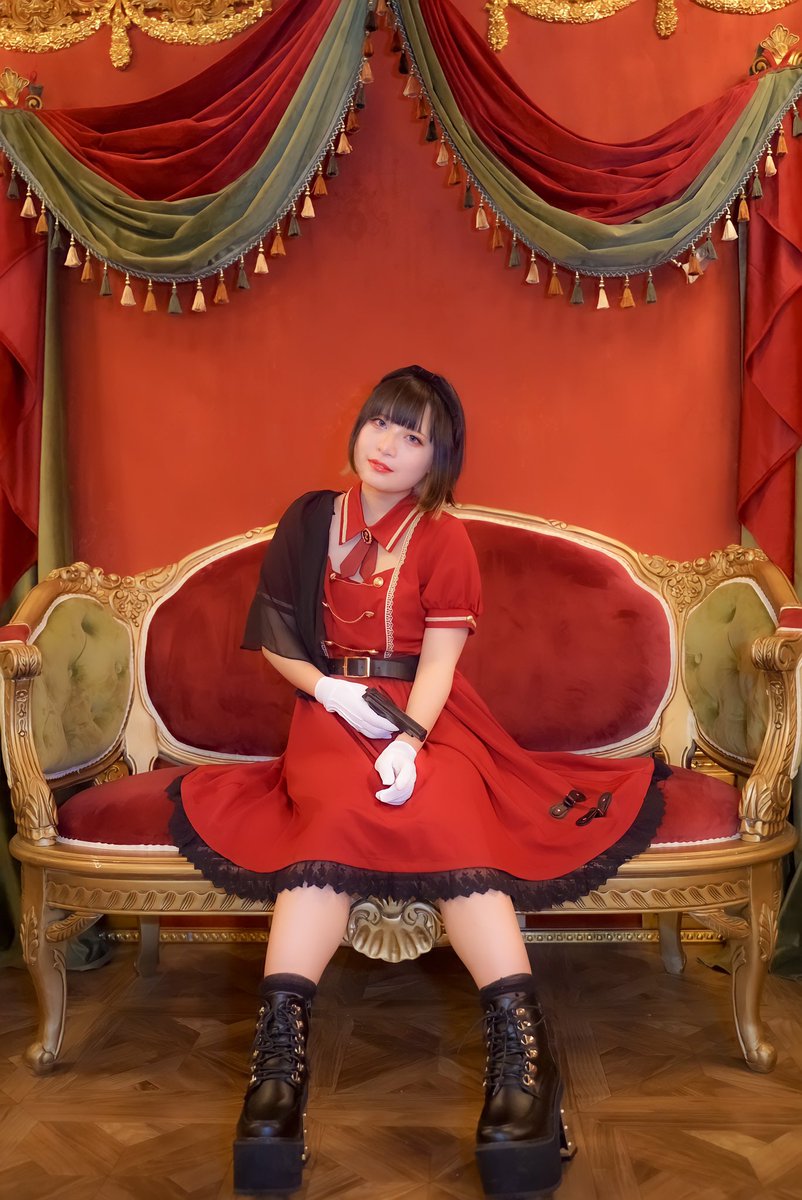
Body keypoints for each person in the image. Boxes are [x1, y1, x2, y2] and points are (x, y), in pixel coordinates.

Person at [168, 365, 668, 1198]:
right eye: (380, 423)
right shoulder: (308, 519)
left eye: (413, 436)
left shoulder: (444, 538)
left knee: (448, 814)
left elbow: (439, 664)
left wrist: (409, 739)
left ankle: (524, 1065)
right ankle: (276, 1076)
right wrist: (329, 692)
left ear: (439, 460)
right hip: (331, 714)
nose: (387, 445)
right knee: (330, 817)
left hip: (431, 716)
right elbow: (279, 637)